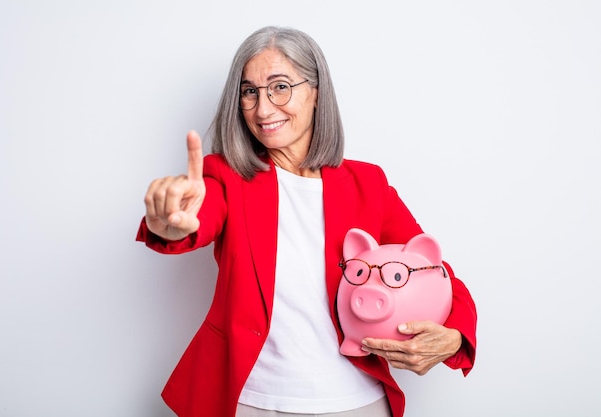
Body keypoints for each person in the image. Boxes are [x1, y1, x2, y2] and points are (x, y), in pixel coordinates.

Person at [137, 26, 477, 417]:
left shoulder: (368, 183)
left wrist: (455, 338)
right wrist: (171, 224)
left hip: (358, 400)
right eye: (249, 92)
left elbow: (434, 271)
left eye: (280, 87)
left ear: (316, 93)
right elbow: (199, 215)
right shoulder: (225, 175)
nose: (263, 109)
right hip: (250, 401)